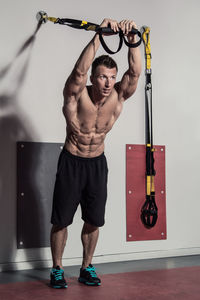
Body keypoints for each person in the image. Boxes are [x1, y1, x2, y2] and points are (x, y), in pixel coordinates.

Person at [49, 18, 142, 288]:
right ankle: (57, 269)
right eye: (103, 76)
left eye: (112, 77)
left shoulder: (118, 96)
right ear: (93, 77)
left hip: (96, 165)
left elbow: (135, 73)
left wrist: (132, 38)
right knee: (61, 220)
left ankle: (87, 267)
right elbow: (78, 72)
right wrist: (99, 36)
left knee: (93, 219)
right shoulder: (76, 95)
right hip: (71, 161)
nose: (108, 82)